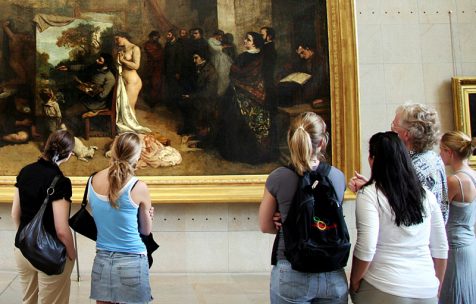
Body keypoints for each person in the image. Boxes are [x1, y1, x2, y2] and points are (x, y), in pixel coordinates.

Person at [259, 112, 348, 304]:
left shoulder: (278, 177)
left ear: (291, 140)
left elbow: (265, 226)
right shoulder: (338, 177)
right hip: (331, 271)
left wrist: (284, 222)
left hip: (291, 269)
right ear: (323, 143)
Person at [350, 131, 448, 304]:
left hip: (384, 284)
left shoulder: (370, 195)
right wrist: (437, 285)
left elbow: (366, 247)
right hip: (426, 288)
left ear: (373, 159)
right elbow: (440, 247)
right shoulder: (426, 195)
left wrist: (354, 281)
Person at [349, 103, 449, 222]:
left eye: (394, 128)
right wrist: (371, 187)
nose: (391, 132)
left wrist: (367, 191)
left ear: (406, 134)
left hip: (416, 237)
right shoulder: (433, 157)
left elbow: (397, 210)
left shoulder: (411, 167)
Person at [11, 130, 76, 304]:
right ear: (69, 155)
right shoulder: (60, 182)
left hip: (22, 249)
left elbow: (14, 213)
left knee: (29, 300)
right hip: (50, 255)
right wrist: (72, 254)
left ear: (46, 147)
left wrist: (26, 239)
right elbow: (61, 230)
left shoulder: (25, 172)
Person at [89, 132, 154, 303]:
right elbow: (146, 231)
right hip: (132, 260)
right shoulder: (138, 186)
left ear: (113, 150)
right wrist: (147, 215)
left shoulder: (93, 180)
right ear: (137, 155)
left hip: (102, 260)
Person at [218, 31, 275, 164]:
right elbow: (233, 73)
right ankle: (236, 153)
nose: (245, 41)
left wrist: (246, 82)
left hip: (258, 95)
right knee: (231, 117)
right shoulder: (243, 56)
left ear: (255, 42)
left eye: (248, 40)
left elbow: (263, 77)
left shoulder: (263, 57)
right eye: (245, 39)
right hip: (238, 92)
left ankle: (256, 153)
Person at [439, 131, 476, 304]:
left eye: (441, 150)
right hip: (469, 244)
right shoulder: (473, 175)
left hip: (455, 247)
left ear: (449, 152)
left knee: (454, 293)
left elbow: (438, 212)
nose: (440, 154)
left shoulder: (455, 181)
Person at [114, 32, 151, 134]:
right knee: (123, 107)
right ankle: (127, 131)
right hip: (124, 82)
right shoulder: (121, 50)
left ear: (123, 37)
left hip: (133, 82)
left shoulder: (135, 48)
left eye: (117, 39)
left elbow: (136, 66)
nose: (116, 41)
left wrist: (122, 60)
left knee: (129, 108)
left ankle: (132, 132)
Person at [180, 50, 218, 144]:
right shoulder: (197, 67)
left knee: (193, 105)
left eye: (196, 58)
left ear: (203, 57)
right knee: (182, 102)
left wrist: (191, 96)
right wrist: (188, 94)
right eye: (193, 58)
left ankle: (196, 132)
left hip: (208, 100)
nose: (194, 60)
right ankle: (189, 129)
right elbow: (194, 85)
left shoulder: (210, 71)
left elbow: (208, 92)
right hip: (199, 96)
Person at [142, 30, 164, 108]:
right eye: (155, 36)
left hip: (158, 67)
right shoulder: (147, 45)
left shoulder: (159, 45)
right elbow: (155, 55)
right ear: (151, 36)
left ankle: (155, 100)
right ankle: (150, 101)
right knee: (150, 84)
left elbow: (161, 54)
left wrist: (160, 54)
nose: (157, 38)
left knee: (157, 84)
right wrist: (160, 54)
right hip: (150, 67)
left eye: (158, 37)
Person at [207, 29, 232, 96]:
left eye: (221, 36)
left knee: (225, 74)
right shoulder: (210, 40)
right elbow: (214, 48)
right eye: (220, 36)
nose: (221, 37)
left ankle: (226, 91)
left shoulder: (219, 40)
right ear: (216, 35)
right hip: (216, 58)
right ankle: (219, 92)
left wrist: (224, 46)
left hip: (222, 58)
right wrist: (223, 46)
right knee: (219, 75)